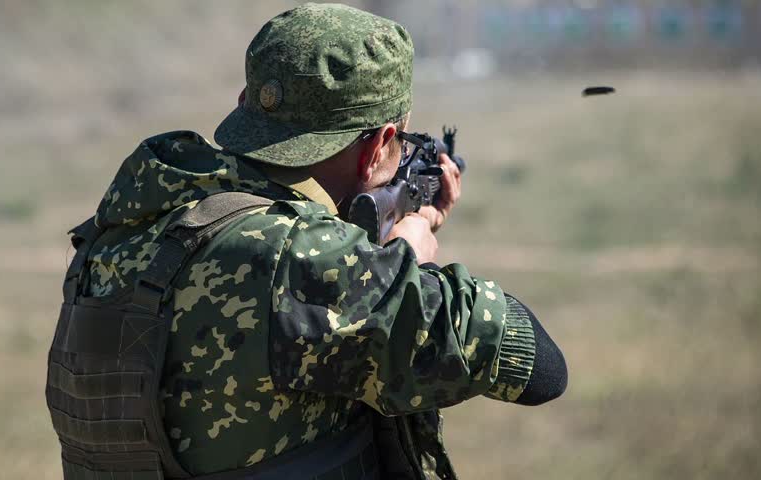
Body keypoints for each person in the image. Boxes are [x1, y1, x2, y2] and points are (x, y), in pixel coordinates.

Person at [45, 4, 567, 479]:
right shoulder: (299, 257)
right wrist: (409, 255)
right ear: (379, 146)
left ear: (248, 107)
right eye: (400, 143)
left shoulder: (126, 228)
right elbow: (541, 367)